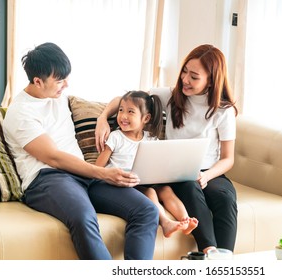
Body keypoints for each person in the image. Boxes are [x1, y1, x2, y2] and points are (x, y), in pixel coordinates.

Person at [3, 42, 159, 260]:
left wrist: (103, 118)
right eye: (59, 80)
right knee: (83, 216)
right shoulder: (20, 112)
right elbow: (53, 158)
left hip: (83, 174)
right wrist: (103, 173)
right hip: (48, 178)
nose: (66, 85)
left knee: (147, 211)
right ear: (38, 81)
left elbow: (122, 100)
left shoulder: (58, 96)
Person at [96, 44, 238, 254]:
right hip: (178, 174)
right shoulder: (170, 96)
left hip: (210, 172)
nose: (185, 80)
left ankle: (225, 260)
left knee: (225, 198)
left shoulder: (223, 110)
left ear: (211, 80)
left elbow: (228, 158)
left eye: (194, 77)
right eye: (184, 72)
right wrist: (102, 117)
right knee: (190, 189)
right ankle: (209, 251)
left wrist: (207, 176)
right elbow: (127, 99)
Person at [95, 90, 198, 238]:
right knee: (150, 193)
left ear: (146, 118)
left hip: (144, 181)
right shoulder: (115, 137)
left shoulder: (151, 139)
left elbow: (159, 165)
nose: (123, 116)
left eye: (130, 112)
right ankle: (166, 223)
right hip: (121, 184)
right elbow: (98, 168)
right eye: (121, 110)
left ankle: (185, 221)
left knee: (166, 190)